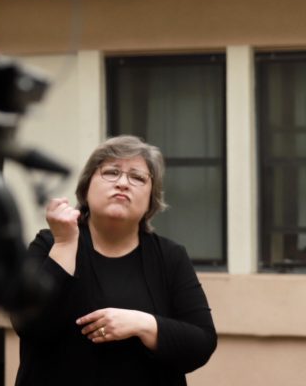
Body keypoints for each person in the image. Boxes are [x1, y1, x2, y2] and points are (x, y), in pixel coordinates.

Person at [14, 136, 217, 386]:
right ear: (86, 188)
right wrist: (65, 243)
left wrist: (142, 324)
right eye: (111, 172)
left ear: (151, 199)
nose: (123, 183)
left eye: (138, 177)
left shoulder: (170, 256)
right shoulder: (49, 243)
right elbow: (29, 325)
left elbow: (202, 343)